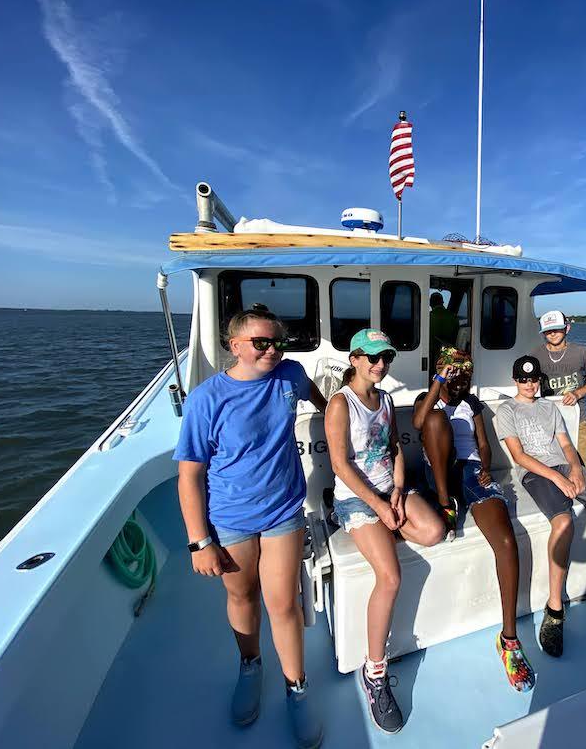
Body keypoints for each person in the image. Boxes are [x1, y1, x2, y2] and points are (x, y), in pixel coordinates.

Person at [174, 304, 326, 748]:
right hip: (230, 518)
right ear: (234, 345)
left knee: (283, 603)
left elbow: (323, 401)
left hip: (283, 510)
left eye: (278, 342)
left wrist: (346, 416)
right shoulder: (206, 398)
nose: (272, 350)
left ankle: (297, 688)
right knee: (242, 595)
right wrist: (199, 541)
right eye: (261, 343)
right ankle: (250, 666)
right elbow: (190, 475)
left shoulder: (291, 376)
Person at [324, 329, 445, 734]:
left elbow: (394, 447)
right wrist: (377, 507)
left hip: (387, 490)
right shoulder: (341, 404)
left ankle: (383, 531)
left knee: (434, 531)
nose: (380, 365)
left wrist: (396, 490)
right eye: (373, 357)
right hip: (357, 498)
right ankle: (375, 671)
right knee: (390, 577)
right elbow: (339, 465)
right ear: (355, 359)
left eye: (386, 358)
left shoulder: (387, 399)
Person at [494, 355, 586, 659]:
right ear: (515, 380)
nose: (529, 385)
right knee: (564, 523)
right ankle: (555, 609)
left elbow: (567, 445)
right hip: (536, 474)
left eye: (534, 379)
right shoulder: (507, 410)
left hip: (564, 467)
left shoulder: (550, 407)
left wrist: (574, 469)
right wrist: (557, 479)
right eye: (523, 379)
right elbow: (519, 456)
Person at [411, 347, 537, 692]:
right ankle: (445, 504)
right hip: (438, 473)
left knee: (506, 540)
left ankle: (508, 640)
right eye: (454, 375)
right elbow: (419, 423)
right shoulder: (427, 399)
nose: (460, 381)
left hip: (470, 472)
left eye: (465, 376)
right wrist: (439, 381)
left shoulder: (472, 404)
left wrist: (484, 466)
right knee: (435, 421)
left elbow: (483, 444)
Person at [529, 310, 586, 469]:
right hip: (547, 419)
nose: (552, 333)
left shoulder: (582, 352)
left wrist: (577, 393)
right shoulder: (535, 355)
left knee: (585, 463)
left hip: (578, 417)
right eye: (548, 330)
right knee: (551, 464)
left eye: (557, 329)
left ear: (567, 328)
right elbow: (528, 386)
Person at [428, 291, 459, 367]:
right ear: (442, 303)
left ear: (430, 304)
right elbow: (457, 334)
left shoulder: (428, 316)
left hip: (431, 353)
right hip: (449, 353)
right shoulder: (453, 316)